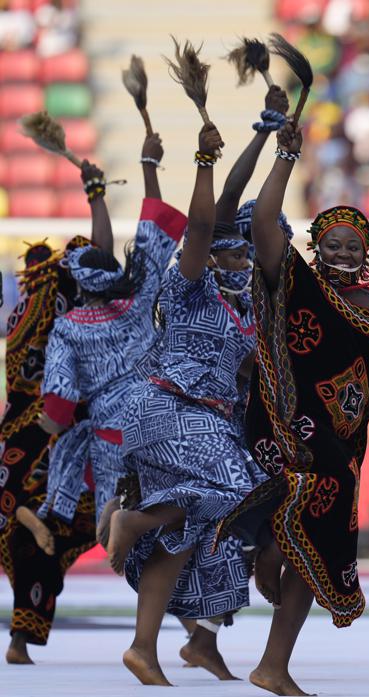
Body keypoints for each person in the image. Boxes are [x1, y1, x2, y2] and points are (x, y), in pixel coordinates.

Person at [216, 120, 369, 697]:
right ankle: (267, 557)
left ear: (367, 253)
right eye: (331, 242)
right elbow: (263, 219)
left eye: (352, 245)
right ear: (316, 246)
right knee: (319, 526)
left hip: (344, 444)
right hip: (286, 421)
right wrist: (288, 152)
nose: (341, 251)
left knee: (320, 539)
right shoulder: (297, 283)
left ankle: (272, 653)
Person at [103, 121, 265, 687]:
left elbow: (250, 375)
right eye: (230, 250)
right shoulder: (191, 285)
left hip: (195, 418)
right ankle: (133, 519)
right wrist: (203, 159)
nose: (240, 258)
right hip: (169, 406)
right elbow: (203, 221)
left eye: (244, 252)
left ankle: (143, 648)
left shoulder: (250, 314)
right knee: (240, 488)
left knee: (182, 537)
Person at [36, 132, 180, 548]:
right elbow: (153, 231)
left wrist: (31, 435)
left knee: (121, 545)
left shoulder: (69, 327)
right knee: (170, 527)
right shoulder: (139, 296)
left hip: (111, 447)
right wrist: (148, 167)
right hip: (162, 428)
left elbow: (59, 407)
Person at [0, 164, 111, 663]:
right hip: (48, 427)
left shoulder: (45, 303)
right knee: (34, 531)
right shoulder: (59, 305)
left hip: (64, 427)